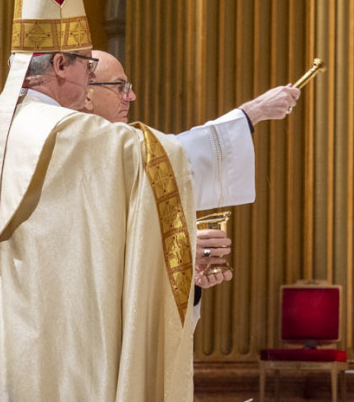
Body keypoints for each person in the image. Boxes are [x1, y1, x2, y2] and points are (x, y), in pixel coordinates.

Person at [0, 0, 298, 402]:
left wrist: (185, 263)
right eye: (87, 67)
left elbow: (94, 243)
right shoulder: (65, 134)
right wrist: (246, 117)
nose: (91, 81)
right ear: (59, 64)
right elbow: (160, 163)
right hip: (56, 361)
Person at [87, 49, 297, 289]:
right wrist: (253, 112)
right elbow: (173, 158)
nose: (131, 96)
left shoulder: (113, 142)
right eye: (119, 87)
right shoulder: (82, 145)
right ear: (87, 94)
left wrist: (185, 266)